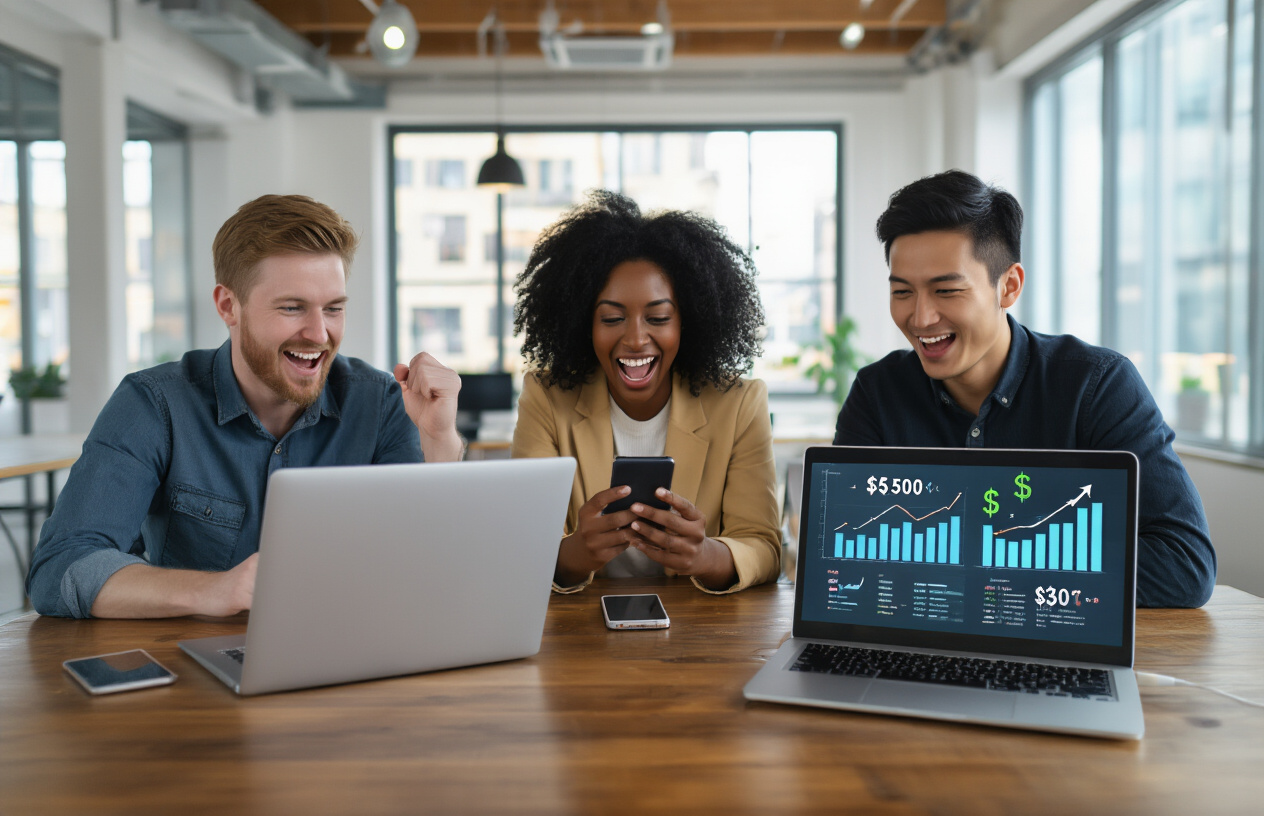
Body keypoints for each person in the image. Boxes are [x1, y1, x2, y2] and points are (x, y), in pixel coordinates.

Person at [27, 194, 464, 619]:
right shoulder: (154, 404)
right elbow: (60, 568)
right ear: (228, 306)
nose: (319, 333)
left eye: (333, 308)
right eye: (292, 308)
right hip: (192, 671)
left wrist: (438, 438)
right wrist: (217, 591)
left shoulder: (382, 404)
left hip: (347, 655)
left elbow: (425, 567)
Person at [834, 169, 1216, 608]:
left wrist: (970, 560)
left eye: (947, 290)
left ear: (1009, 286)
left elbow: (1184, 565)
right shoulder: (878, 391)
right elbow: (845, 553)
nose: (920, 319)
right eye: (902, 292)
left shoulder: (1097, 385)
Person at [511, 190, 781, 594]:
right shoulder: (546, 399)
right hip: (577, 638)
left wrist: (704, 555)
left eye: (658, 317)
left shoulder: (739, 404)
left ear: (686, 322)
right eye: (612, 317)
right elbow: (520, 550)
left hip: (703, 636)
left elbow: (764, 547)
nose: (636, 339)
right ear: (584, 324)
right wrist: (575, 553)